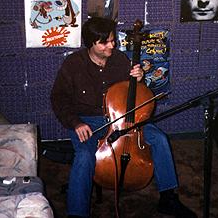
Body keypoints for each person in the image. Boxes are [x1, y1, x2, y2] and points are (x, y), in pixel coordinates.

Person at [51, 17, 197, 218]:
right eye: (105, 42)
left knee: (160, 139)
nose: (112, 45)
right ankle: (77, 213)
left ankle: (168, 197)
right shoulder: (73, 64)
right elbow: (58, 98)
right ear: (90, 43)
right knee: (84, 156)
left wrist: (139, 80)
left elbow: (134, 96)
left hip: (123, 118)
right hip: (88, 121)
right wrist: (76, 123)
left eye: (112, 40)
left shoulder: (119, 59)